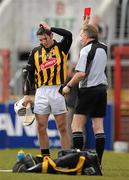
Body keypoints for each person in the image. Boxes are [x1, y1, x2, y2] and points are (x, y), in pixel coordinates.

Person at [22, 21, 72, 157]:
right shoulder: (35, 52)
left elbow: (69, 35)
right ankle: (45, 157)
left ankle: (66, 156)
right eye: (41, 39)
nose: (43, 41)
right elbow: (29, 74)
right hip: (41, 91)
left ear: (52, 35)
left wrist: (51, 27)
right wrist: (26, 94)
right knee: (40, 127)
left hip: (57, 90)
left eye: (45, 38)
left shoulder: (62, 47)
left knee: (62, 127)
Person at [62, 19, 108, 165]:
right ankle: (98, 162)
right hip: (102, 90)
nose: (80, 38)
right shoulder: (104, 47)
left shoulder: (86, 50)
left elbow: (81, 74)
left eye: (81, 35)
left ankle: (77, 162)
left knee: (76, 126)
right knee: (98, 127)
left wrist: (68, 86)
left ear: (88, 36)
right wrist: (86, 24)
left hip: (88, 90)